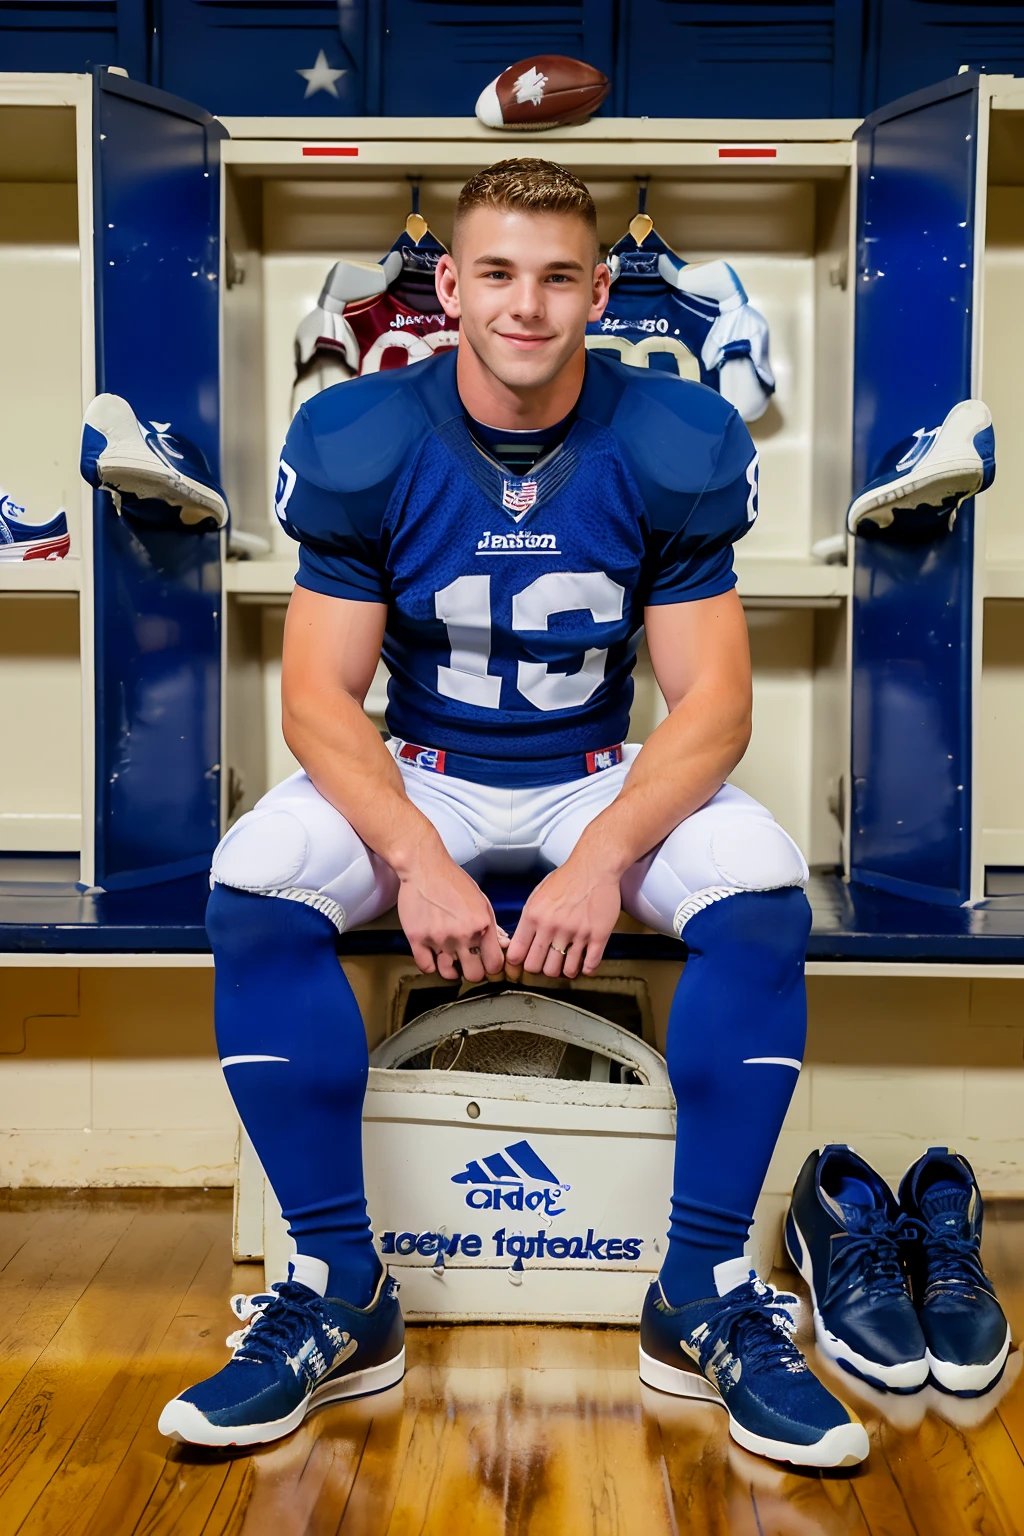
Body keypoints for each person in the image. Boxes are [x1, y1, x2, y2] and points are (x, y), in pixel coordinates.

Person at [158, 158, 868, 1468]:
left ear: (601, 291)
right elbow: (317, 698)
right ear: (450, 286)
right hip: (420, 764)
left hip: (599, 765)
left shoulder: (674, 435)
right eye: (497, 273)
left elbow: (711, 706)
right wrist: (417, 860)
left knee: (762, 888)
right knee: (252, 880)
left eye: (556, 277)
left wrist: (602, 860)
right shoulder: (365, 434)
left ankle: (699, 1296)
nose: (526, 305)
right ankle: (338, 1293)